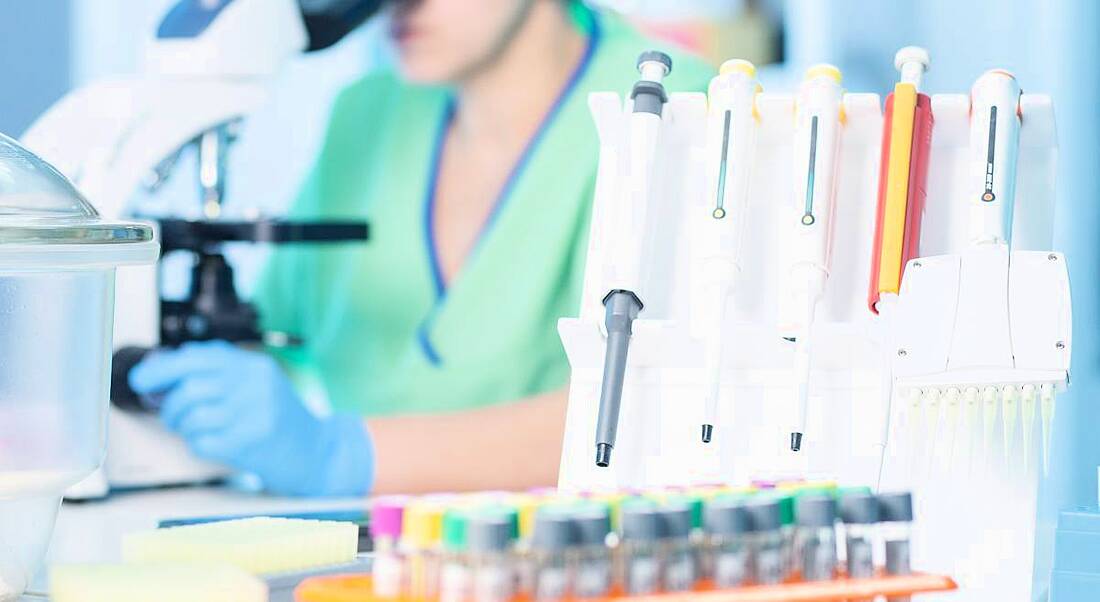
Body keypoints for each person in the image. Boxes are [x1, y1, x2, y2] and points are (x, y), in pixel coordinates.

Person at [129, 0, 713, 496]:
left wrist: (339, 455)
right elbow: (271, 336)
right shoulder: (367, 112)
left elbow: (658, 410)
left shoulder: (669, 104)